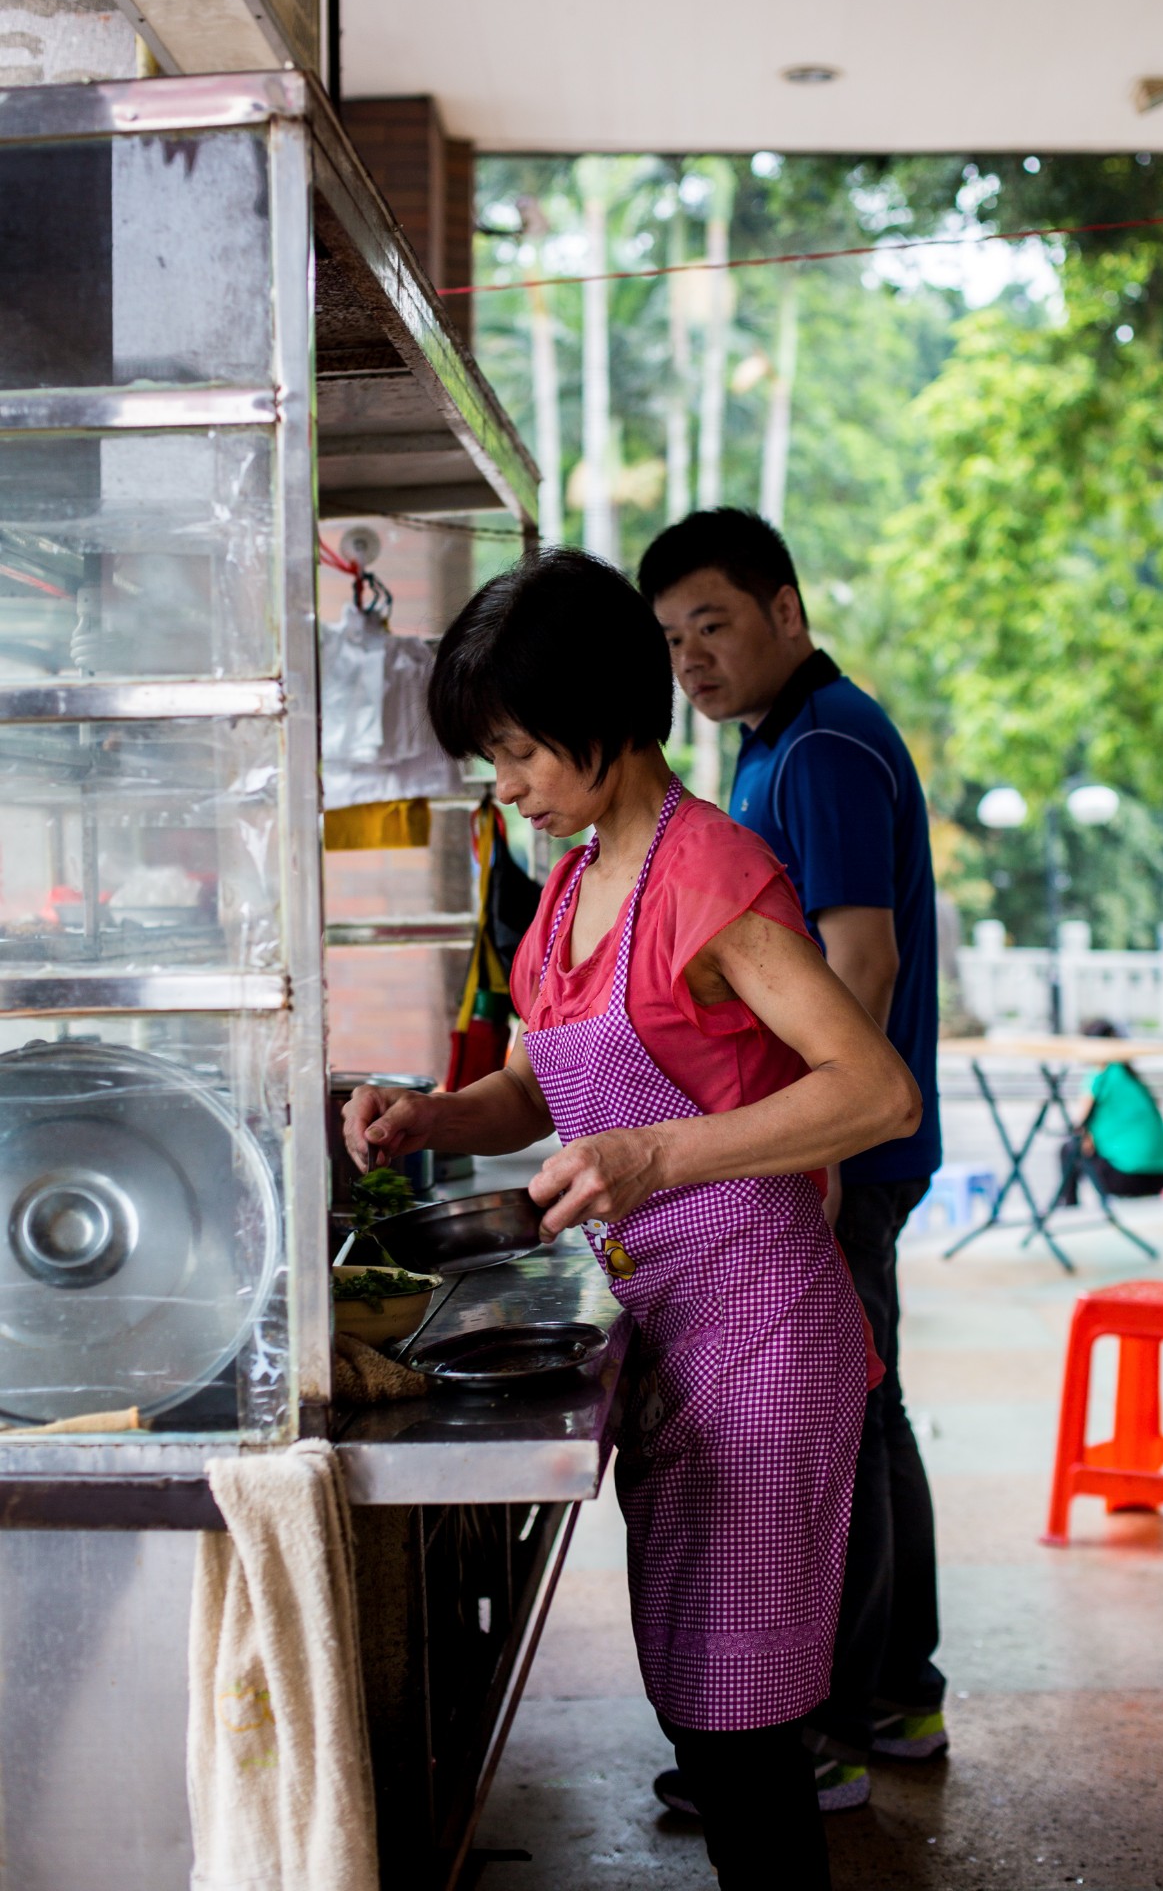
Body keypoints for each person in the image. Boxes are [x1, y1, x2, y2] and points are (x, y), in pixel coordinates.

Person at [341, 548, 921, 1891]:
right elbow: (539, 1086)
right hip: (668, 1335)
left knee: (742, 1737)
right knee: (701, 1711)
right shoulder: (568, 890)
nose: (508, 787)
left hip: (765, 1338)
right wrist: (430, 1119)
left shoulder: (711, 871)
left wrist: (660, 1153)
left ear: (601, 718)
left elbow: (874, 1091)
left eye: (518, 753)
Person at [639, 507, 947, 1811]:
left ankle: (826, 1720)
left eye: (714, 622)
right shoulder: (773, 749)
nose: (692, 660)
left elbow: (859, 967)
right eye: (670, 638)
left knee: (838, 1424)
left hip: (850, 1157)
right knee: (861, 1415)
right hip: (843, 1150)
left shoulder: (819, 746)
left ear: (787, 611)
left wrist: (814, 1159)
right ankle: (886, 1697)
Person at [1058, 1018, 1163, 1206]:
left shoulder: (1100, 1077)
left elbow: (1078, 1127)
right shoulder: (1131, 1077)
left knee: (1069, 1149)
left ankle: (1069, 1207)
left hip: (1127, 1177)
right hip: (1161, 1176)